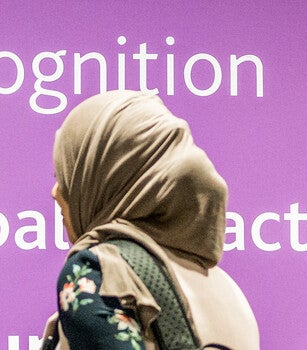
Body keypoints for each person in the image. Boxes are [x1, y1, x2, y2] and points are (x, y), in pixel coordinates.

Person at [43, 90, 260, 350]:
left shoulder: (98, 271)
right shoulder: (229, 291)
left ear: (107, 175)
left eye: (68, 174)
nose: (56, 191)